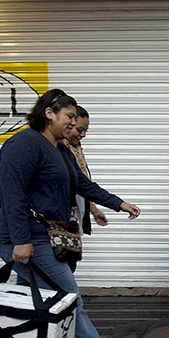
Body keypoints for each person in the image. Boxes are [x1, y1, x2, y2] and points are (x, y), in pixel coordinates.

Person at [0, 89, 141, 338]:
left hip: (46, 237)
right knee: (69, 298)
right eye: (69, 117)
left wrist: (118, 203)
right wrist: (21, 240)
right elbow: (12, 194)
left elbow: (83, 184)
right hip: (30, 238)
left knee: (30, 302)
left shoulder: (58, 148)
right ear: (49, 113)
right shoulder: (24, 144)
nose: (73, 124)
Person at [61, 105, 108, 272]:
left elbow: (81, 186)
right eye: (80, 130)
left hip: (73, 223)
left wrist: (93, 210)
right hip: (60, 226)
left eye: (85, 130)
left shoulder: (76, 151)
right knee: (62, 272)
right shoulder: (58, 153)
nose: (83, 135)